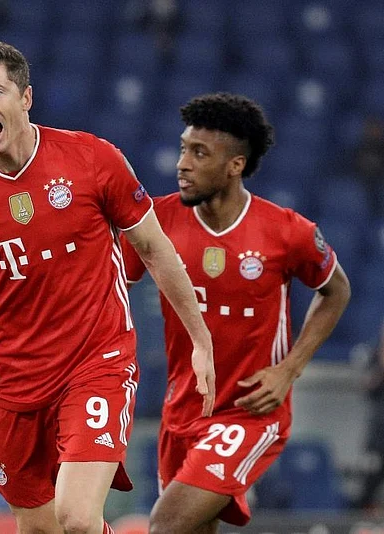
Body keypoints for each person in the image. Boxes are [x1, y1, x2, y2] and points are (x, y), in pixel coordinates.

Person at [0, 41, 216, 534]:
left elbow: (156, 250)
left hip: (96, 363)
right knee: (40, 527)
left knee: (77, 517)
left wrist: (200, 339)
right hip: (14, 382)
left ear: (26, 97)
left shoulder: (92, 159)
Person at [119, 92, 351, 532]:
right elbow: (109, 288)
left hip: (249, 411)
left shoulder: (286, 231)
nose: (182, 163)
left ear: (235, 165)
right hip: (181, 411)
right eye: (183, 149)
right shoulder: (157, 222)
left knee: (165, 524)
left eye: (199, 153)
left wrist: (289, 370)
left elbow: (336, 290)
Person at [352, 319, 384, 513]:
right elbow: (366, 385)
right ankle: (362, 515)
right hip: (378, 434)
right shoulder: (371, 354)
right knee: (370, 480)